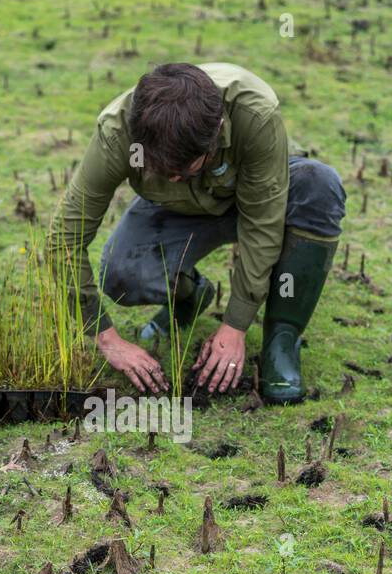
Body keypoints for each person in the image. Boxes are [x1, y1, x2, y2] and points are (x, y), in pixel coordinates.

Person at [48, 61, 345, 401]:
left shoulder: (255, 113)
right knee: (121, 275)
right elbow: (64, 239)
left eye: (183, 168)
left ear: (217, 131)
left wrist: (235, 326)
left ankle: (282, 339)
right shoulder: (118, 132)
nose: (172, 176)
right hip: (174, 210)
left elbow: (262, 226)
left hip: (256, 192)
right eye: (163, 168)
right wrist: (106, 337)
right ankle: (190, 294)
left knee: (320, 185)